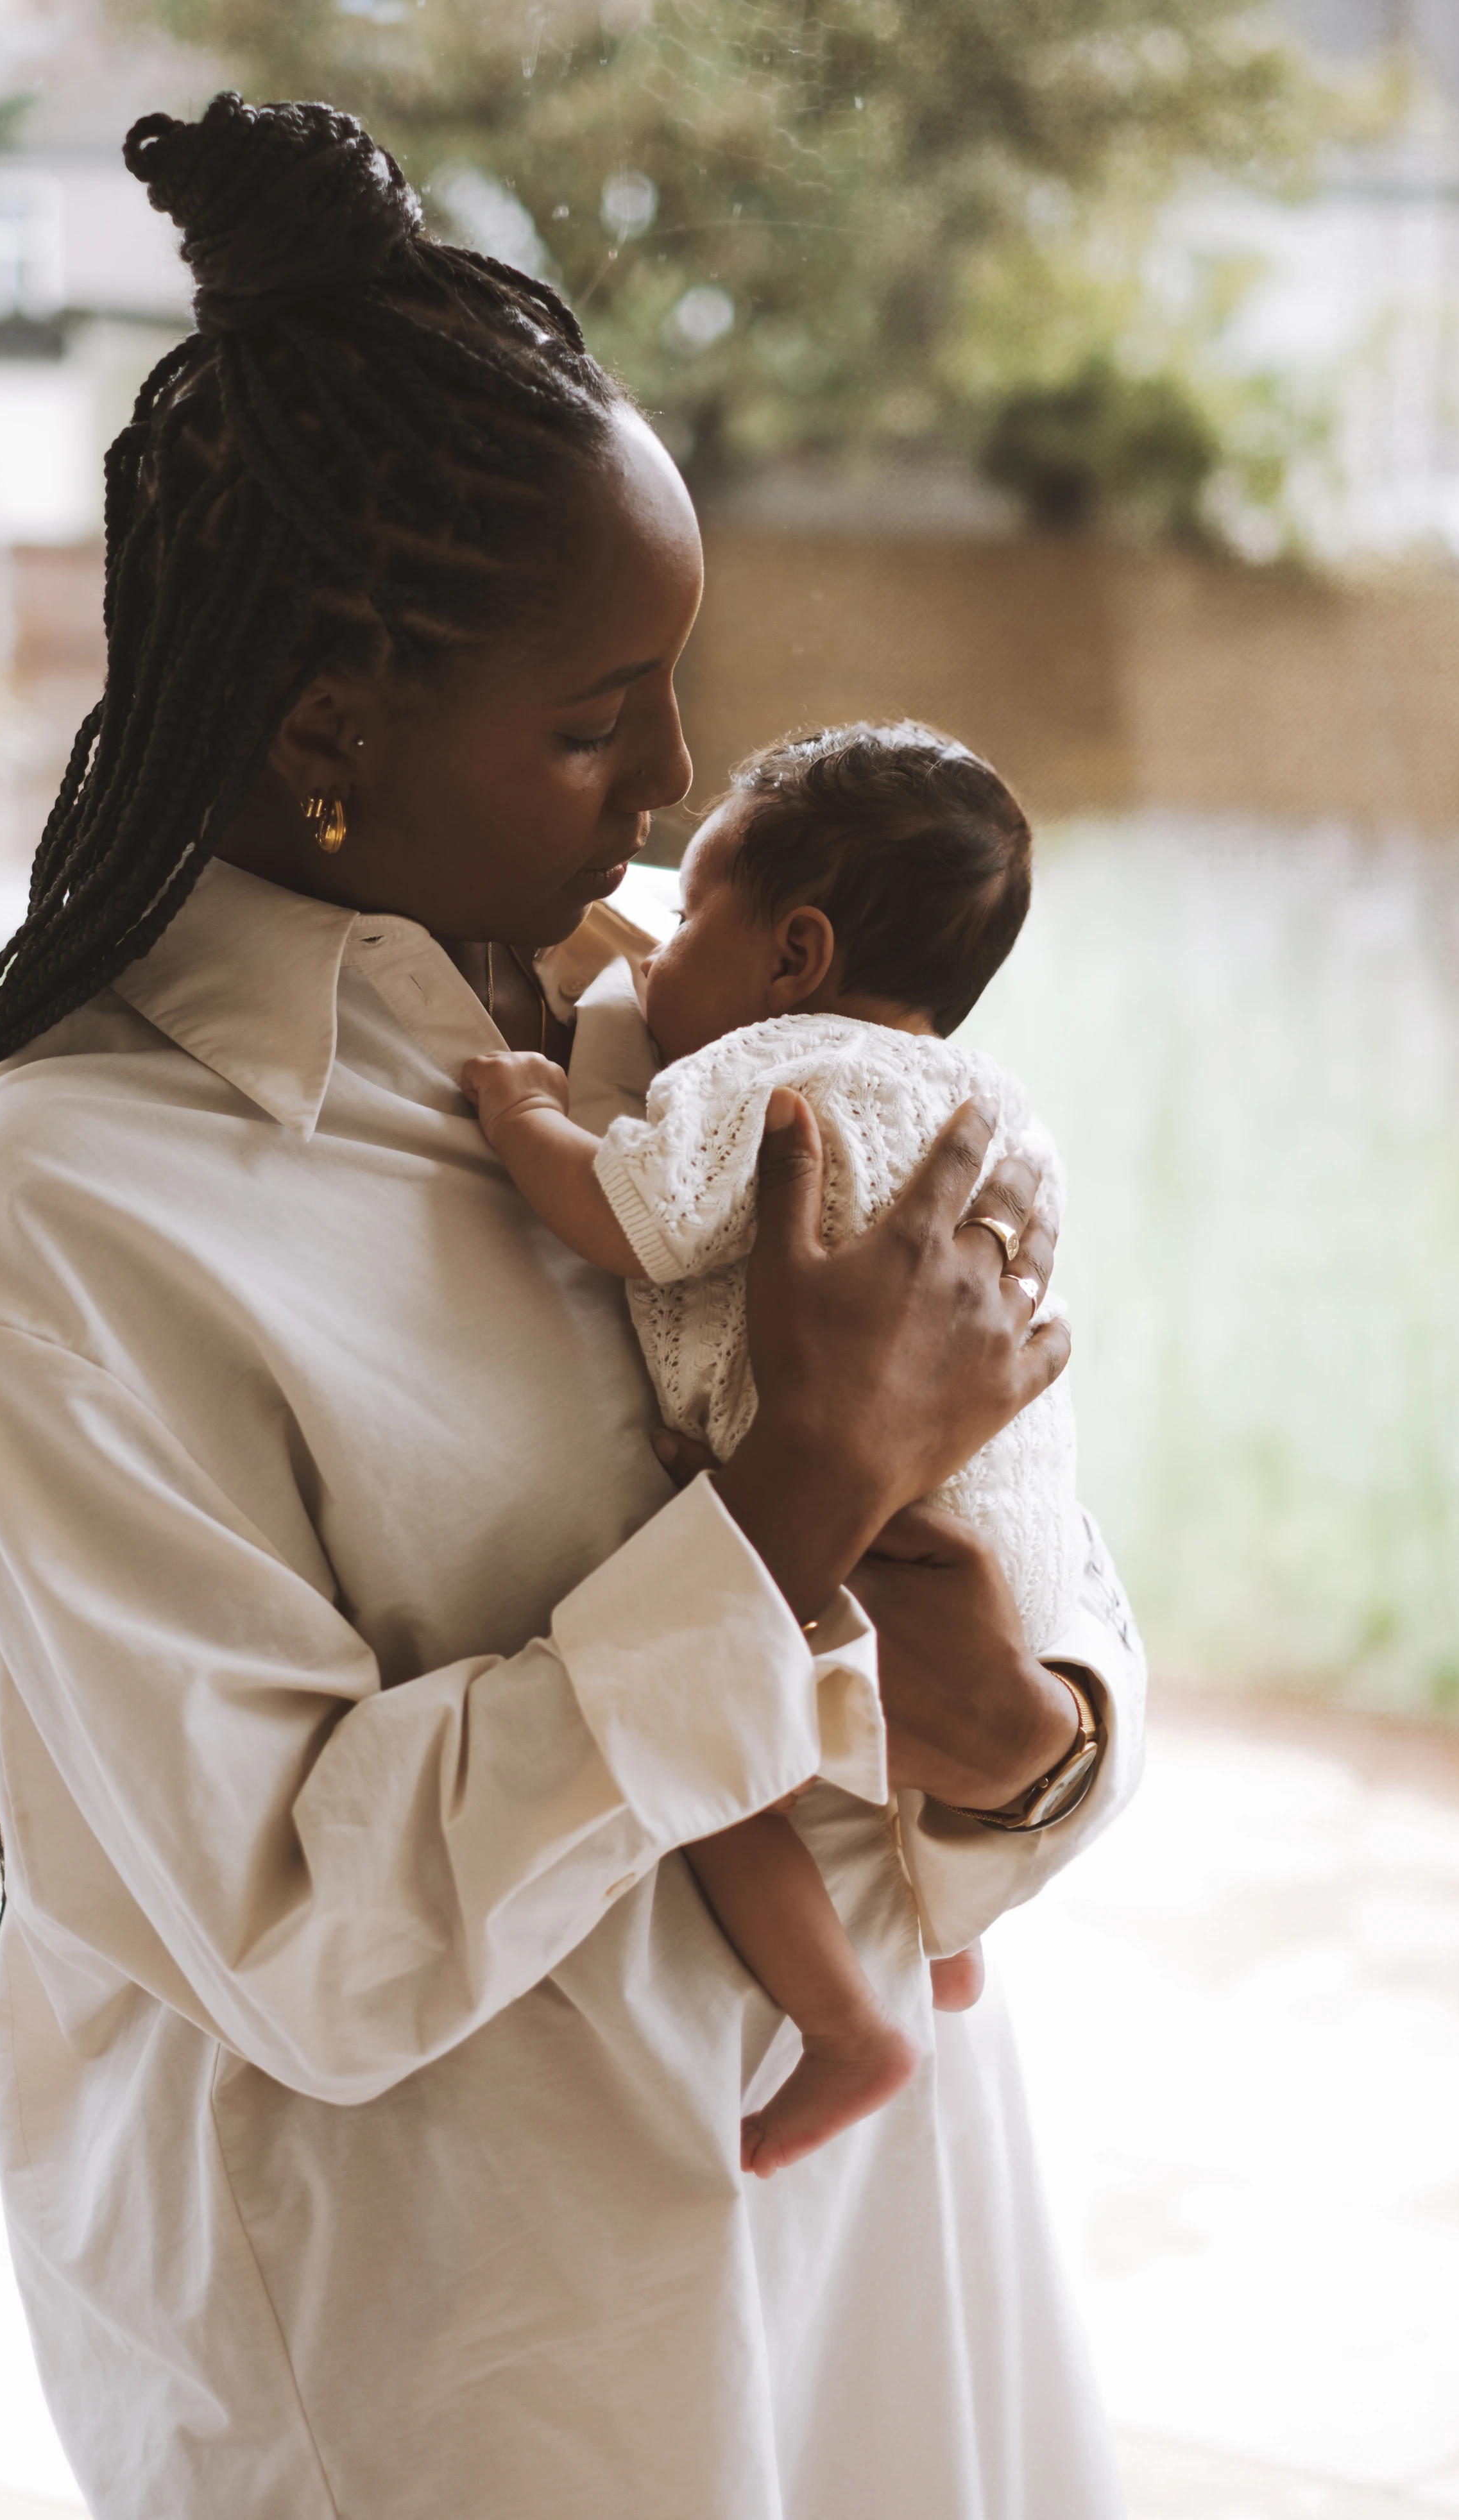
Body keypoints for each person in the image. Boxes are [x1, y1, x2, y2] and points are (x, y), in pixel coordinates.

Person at [0, 94, 1145, 2520]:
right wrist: (784, 1514)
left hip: (888, 2222)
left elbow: (1024, 1549)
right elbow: (306, 1931)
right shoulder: (77, 1202)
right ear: (332, 738)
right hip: (495, 2358)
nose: (671, 777)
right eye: (591, 715)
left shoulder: (711, 1012)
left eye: (677, 685)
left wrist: (1026, 1736)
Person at [461, 720, 1087, 2182]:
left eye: (689, 922)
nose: (657, 949)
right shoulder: (991, 1103)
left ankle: (845, 2020)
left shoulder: (772, 1069)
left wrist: (525, 1109)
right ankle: (941, 1942)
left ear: (795, 956)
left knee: (701, 1754)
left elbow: (636, 1216)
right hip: (1008, 1549)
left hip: (857, 1540)